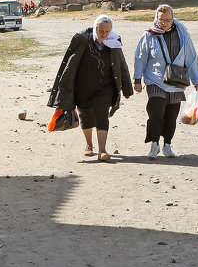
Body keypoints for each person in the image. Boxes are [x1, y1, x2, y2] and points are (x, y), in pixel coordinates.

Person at [47, 14, 133, 161]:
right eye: (101, 31)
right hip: (83, 87)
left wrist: (127, 88)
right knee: (85, 116)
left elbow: (122, 65)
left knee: (102, 115)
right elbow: (69, 64)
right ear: (95, 28)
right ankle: (89, 145)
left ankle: (103, 150)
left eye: (107, 31)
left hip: (105, 88)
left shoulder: (114, 42)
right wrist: (64, 89)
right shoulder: (83, 40)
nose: (104, 34)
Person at [133, 4, 198, 159]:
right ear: (156, 19)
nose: (164, 23)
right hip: (155, 79)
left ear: (173, 19)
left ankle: (167, 145)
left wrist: (196, 78)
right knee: (155, 110)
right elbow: (140, 57)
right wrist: (137, 79)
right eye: (161, 19)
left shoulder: (182, 34)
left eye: (168, 20)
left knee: (171, 115)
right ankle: (154, 144)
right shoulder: (149, 35)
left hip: (176, 80)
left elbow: (191, 56)